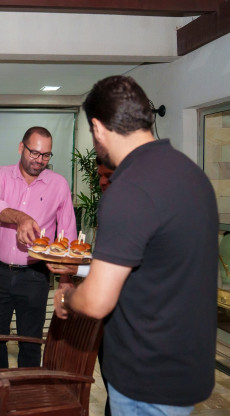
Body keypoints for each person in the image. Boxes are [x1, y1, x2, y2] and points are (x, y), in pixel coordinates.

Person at [54, 75, 217, 415]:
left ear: (98, 128)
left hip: (147, 377)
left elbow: (97, 301)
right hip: (186, 368)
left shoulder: (129, 189)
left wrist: (67, 298)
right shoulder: (192, 174)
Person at [0, 126, 77, 369]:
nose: (39, 160)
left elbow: (67, 233)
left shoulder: (59, 184)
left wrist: (66, 279)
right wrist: (21, 218)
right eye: (34, 153)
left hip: (35, 276)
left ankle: (27, 388)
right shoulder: (2, 175)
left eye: (45, 155)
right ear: (21, 147)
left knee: (31, 343)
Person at [47, 156, 114, 416]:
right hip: (111, 321)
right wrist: (76, 270)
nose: (102, 182)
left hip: (135, 324)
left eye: (108, 176)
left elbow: (119, 269)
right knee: (114, 386)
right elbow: (107, 264)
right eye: (100, 176)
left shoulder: (134, 211)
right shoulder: (109, 207)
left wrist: (73, 296)